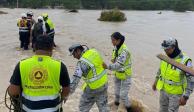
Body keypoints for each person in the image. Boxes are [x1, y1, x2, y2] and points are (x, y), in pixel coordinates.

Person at [8, 35, 70, 112]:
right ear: (52, 48)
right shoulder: (60, 66)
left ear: (34, 47)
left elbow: (13, 91)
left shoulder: (21, 64)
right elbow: (66, 90)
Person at [152, 38, 194, 112]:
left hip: (175, 94)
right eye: (164, 49)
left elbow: (191, 80)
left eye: (167, 49)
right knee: (162, 110)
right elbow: (160, 70)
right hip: (163, 90)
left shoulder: (186, 60)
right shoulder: (165, 57)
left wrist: (186, 96)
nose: (165, 51)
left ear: (173, 47)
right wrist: (156, 81)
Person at [68, 44, 109, 112]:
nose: (74, 57)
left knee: (83, 107)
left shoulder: (81, 63)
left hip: (93, 87)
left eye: (73, 54)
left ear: (78, 51)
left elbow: (75, 81)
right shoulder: (94, 51)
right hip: (104, 83)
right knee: (103, 106)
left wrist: (66, 94)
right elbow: (103, 64)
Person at [103, 32, 132, 112]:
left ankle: (129, 108)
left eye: (113, 40)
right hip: (118, 74)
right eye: (111, 40)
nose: (112, 42)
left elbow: (118, 65)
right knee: (116, 92)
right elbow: (113, 59)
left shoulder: (124, 51)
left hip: (125, 75)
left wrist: (107, 66)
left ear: (119, 40)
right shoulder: (116, 47)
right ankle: (116, 106)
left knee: (123, 95)